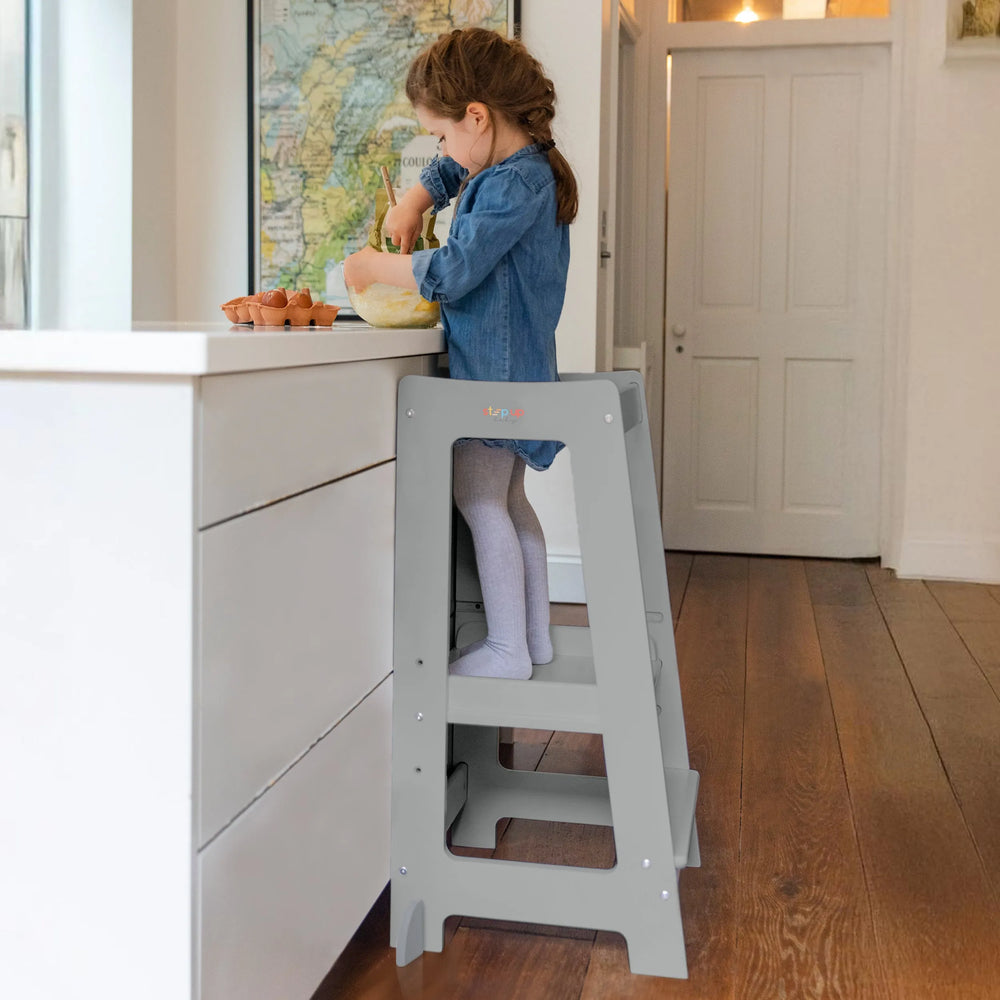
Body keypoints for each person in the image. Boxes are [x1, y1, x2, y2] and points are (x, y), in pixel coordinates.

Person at [344, 27, 578, 680]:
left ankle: (507, 649)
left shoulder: (507, 186)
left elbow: (452, 271)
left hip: (493, 381)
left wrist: (372, 267)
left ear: (478, 117)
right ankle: (533, 640)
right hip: (519, 376)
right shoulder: (523, 165)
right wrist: (415, 200)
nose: (441, 152)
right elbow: (456, 168)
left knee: (478, 502)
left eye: (440, 136)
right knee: (510, 502)